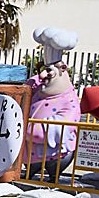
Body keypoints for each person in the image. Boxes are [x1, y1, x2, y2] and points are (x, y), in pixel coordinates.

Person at [24, 27, 80, 181]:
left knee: (54, 169)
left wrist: (35, 129)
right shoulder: (40, 91)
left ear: (62, 69)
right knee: (30, 169)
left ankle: (54, 180)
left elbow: (66, 123)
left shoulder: (69, 99)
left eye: (48, 71)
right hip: (32, 152)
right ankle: (29, 174)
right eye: (42, 70)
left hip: (57, 152)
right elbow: (29, 86)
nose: (43, 75)